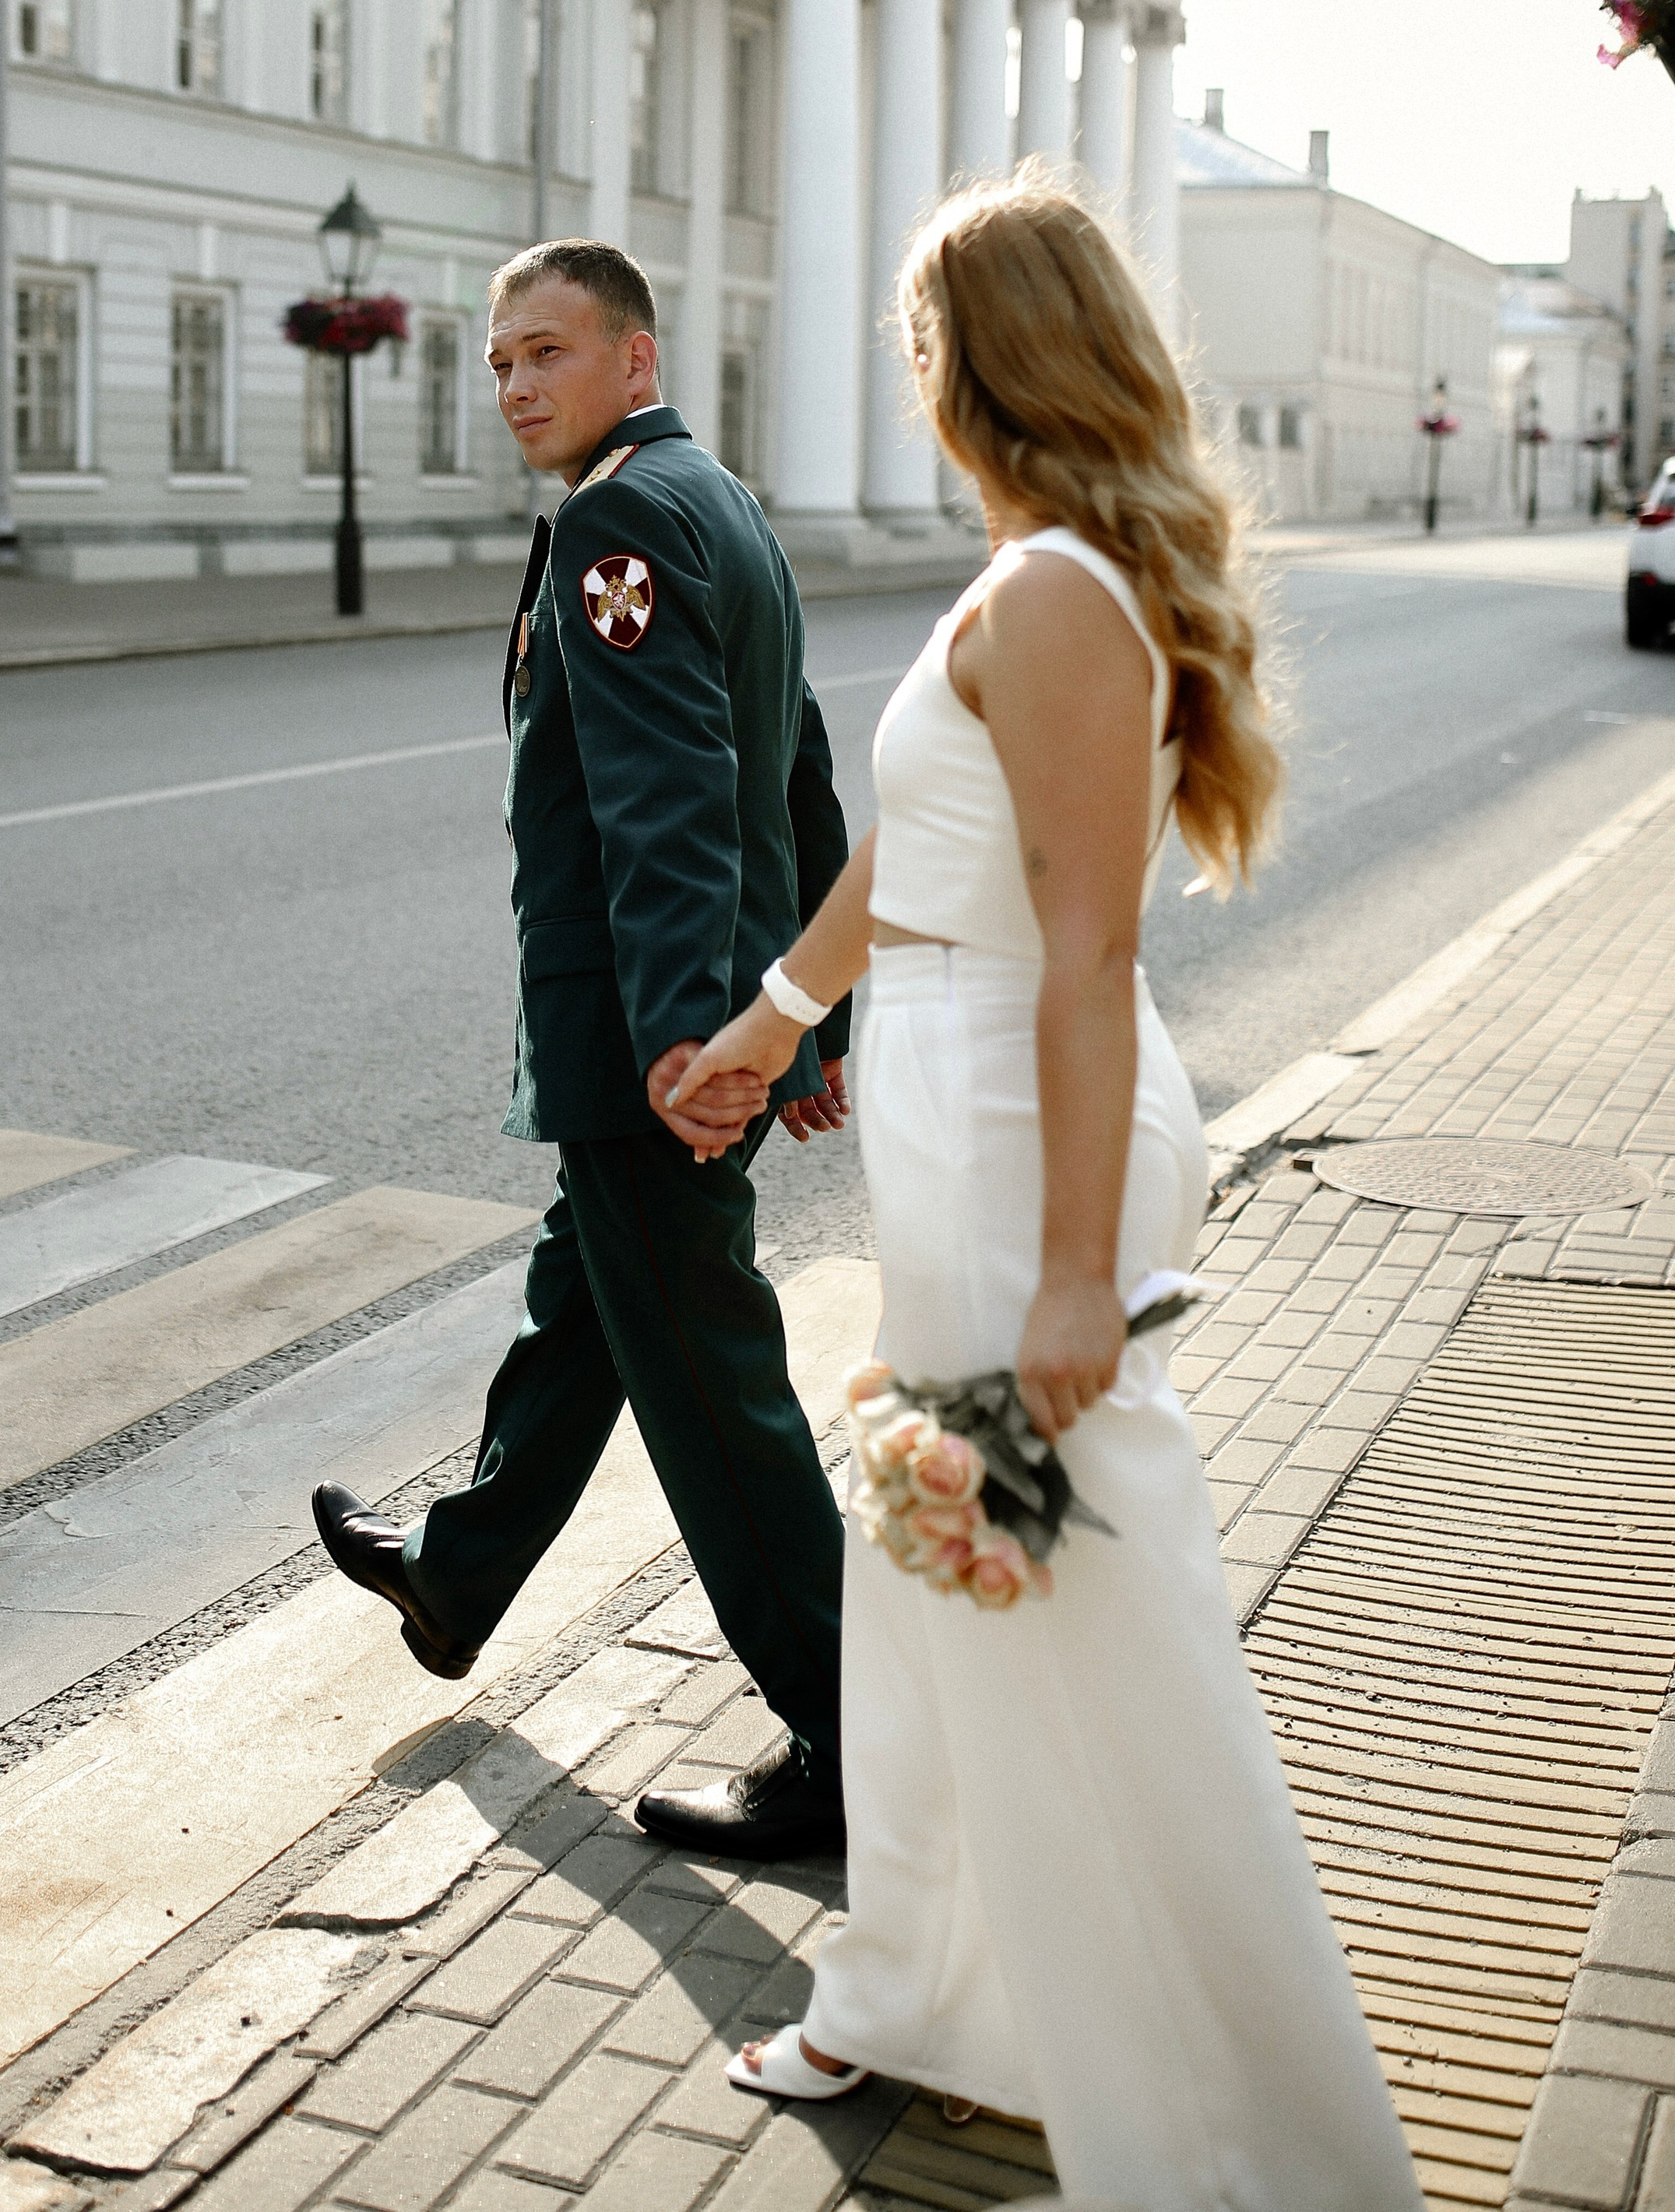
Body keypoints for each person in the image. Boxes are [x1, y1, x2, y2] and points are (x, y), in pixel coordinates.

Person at [665, 185, 1424, 2208]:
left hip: (1024, 1150)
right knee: (938, 1579)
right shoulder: (1026, 583)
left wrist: (1080, 1280)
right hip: (959, 1127)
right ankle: (912, 1991)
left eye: (922, 342)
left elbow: (1091, 956)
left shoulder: (1065, 597)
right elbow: (908, 856)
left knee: (1088, 1594)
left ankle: (1258, 2133)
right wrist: (770, 1023)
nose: (912, 379)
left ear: (974, 358)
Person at [312, 237, 856, 1861]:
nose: (514, 386)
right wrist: (808, 1026)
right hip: (717, 1024)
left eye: (546, 351)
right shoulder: (721, 501)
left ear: (635, 358)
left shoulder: (621, 520)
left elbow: (677, 812)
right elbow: (797, 772)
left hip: (658, 1049)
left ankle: (850, 1731)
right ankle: (457, 1569)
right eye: (495, 362)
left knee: (708, 1381)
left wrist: (704, 1053)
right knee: (592, 1304)